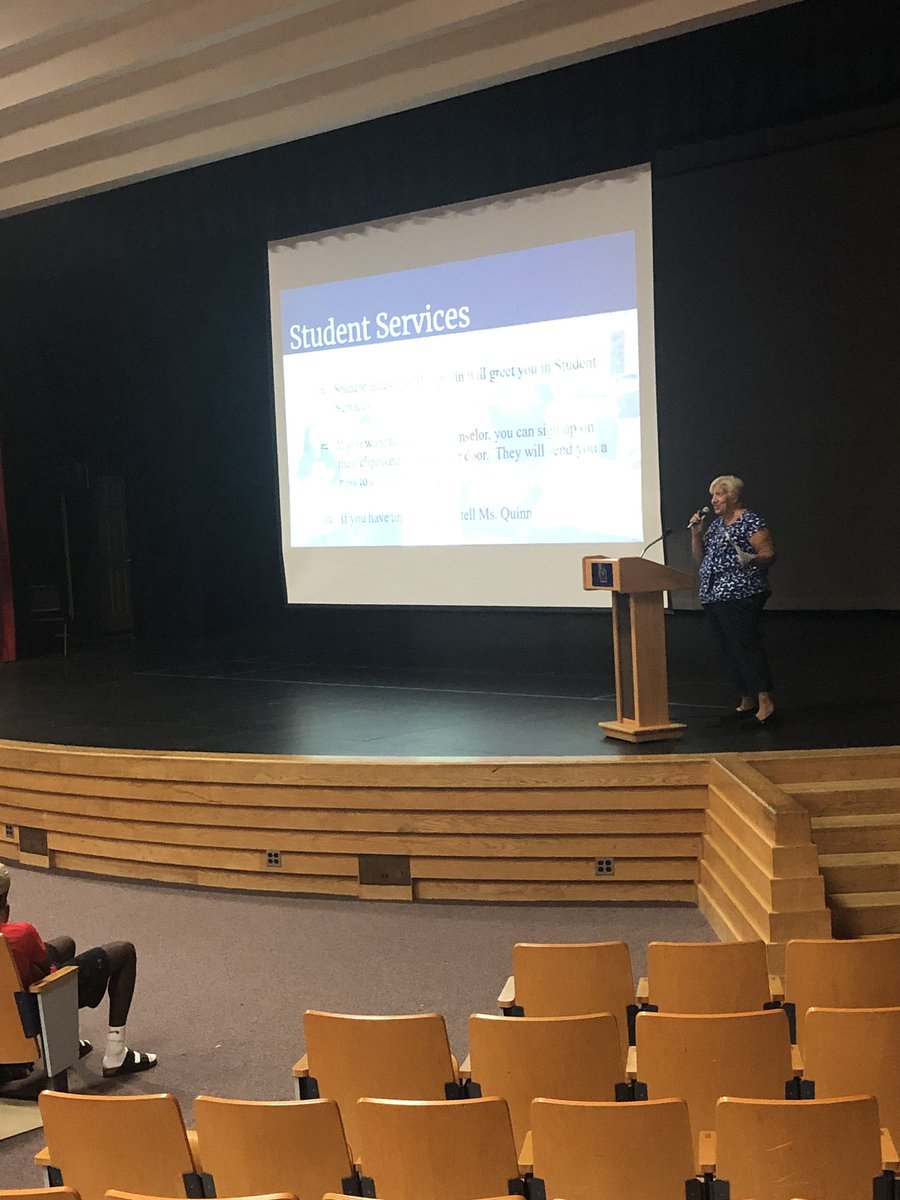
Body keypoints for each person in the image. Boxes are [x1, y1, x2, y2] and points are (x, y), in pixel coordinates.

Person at [0, 863, 157, 1076]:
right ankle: (116, 1054)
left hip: (7, 1013)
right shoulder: (21, 934)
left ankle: (66, 1045)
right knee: (124, 951)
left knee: (65, 944)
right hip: (33, 1010)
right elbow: (48, 968)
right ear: (5, 905)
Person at [690, 474, 777, 725]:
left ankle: (765, 700)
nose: (713, 500)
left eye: (719, 494)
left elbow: (769, 553)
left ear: (734, 496)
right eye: (712, 495)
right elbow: (701, 560)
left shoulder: (750, 521)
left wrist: (752, 560)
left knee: (746, 646)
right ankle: (745, 698)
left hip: (742, 594)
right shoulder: (716, 525)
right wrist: (697, 534)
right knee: (728, 649)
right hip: (713, 595)